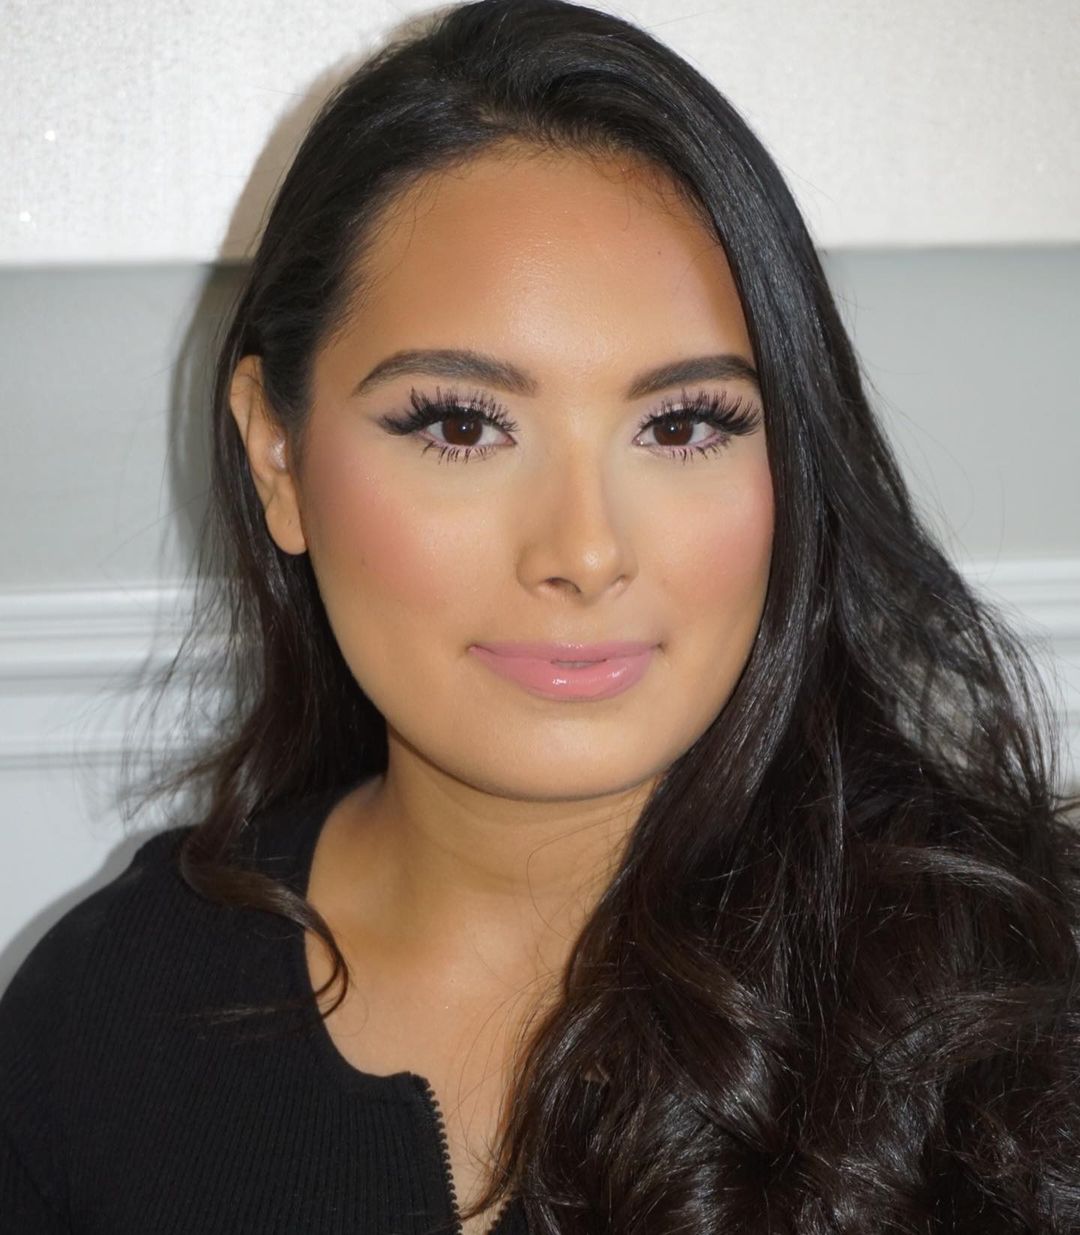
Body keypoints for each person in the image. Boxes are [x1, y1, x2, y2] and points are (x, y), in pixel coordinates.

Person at [3, 0, 1079, 1231]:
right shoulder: (103, 1021)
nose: (582, 551)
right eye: (463, 425)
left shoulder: (1020, 1020)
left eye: (682, 424)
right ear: (277, 455)